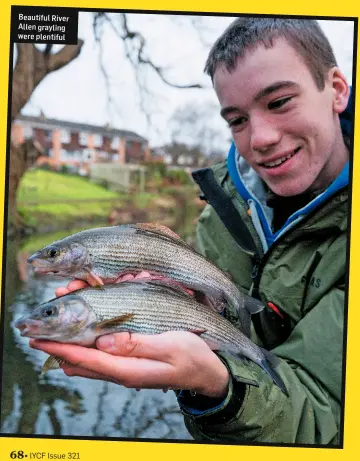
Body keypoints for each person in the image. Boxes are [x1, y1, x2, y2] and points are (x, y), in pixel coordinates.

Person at [30, 18, 351, 445]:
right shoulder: (217, 215)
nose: (260, 138)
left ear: (337, 89)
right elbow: (216, 325)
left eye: (279, 102)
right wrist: (205, 347)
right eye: (236, 120)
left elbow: (330, 419)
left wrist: (223, 390)